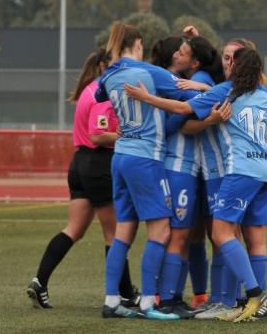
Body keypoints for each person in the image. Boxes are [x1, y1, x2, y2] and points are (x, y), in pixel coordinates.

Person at [124, 47, 267, 323]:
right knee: (250, 239)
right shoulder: (264, 93)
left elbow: (183, 108)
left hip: (241, 171)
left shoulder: (227, 91)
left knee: (222, 235)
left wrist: (146, 97)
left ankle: (254, 295)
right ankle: (239, 303)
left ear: (234, 64)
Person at [95, 22, 197, 320]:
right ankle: (148, 303)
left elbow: (100, 95)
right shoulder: (150, 73)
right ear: (138, 44)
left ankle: (112, 300)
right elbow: (186, 94)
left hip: (121, 156)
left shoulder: (109, 75)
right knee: (161, 230)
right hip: (146, 158)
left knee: (123, 231)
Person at [27, 48, 138, 309]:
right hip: (98, 163)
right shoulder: (103, 92)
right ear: (102, 66)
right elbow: (99, 135)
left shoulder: (90, 88)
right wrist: (126, 135)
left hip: (80, 163)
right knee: (115, 234)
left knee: (74, 230)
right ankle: (124, 294)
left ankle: (39, 281)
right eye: (116, 65)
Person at [148, 35, 229, 318]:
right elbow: (180, 124)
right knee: (182, 234)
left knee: (192, 235)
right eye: (180, 50)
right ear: (174, 58)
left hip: (196, 170)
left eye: (188, 51)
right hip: (180, 168)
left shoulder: (193, 78)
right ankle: (168, 297)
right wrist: (205, 115)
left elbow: (193, 114)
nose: (183, 54)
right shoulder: (175, 82)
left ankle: (184, 296)